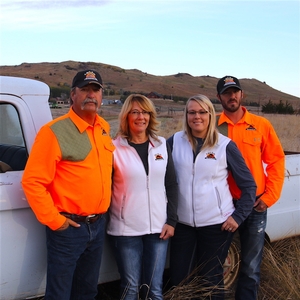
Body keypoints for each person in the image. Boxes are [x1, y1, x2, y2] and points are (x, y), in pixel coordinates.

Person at [21, 70, 115, 300]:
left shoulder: (103, 129)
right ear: (73, 95)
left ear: (102, 95)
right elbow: (32, 181)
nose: (90, 95)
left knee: (87, 291)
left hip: (97, 225)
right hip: (69, 229)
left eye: (95, 90)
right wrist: (57, 222)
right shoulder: (54, 132)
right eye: (84, 90)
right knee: (59, 294)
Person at [167, 94, 256, 300]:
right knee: (180, 278)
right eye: (191, 112)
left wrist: (238, 217)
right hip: (182, 225)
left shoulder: (225, 145)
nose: (196, 116)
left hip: (216, 225)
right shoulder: (174, 142)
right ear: (186, 115)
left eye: (201, 112)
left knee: (211, 279)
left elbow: (248, 185)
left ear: (210, 115)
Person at [216, 76, 285, 300]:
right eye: (227, 93)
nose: (232, 96)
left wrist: (269, 197)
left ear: (242, 94)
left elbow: (276, 161)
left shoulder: (261, 125)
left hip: (254, 204)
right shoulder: (213, 127)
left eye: (235, 91)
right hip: (223, 206)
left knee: (250, 266)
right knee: (215, 262)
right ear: (219, 98)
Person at [107, 94, 178, 300]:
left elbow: (171, 184)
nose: (141, 117)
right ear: (126, 116)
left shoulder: (161, 145)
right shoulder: (114, 148)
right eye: (135, 112)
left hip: (159, 229)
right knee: (130, 288)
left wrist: (171, 220)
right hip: (125, 230)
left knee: (154, 289)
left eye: (145, 112)